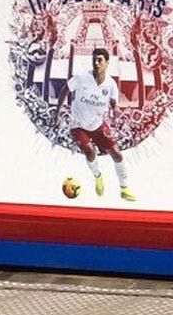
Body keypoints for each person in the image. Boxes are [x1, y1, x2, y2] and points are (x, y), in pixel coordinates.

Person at [55, 47, 136, 201]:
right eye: (94, 60)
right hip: (78, 125)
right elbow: (65, 89)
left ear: (107, 63)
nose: (96, 63)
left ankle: (124, 189)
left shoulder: (111, 85)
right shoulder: (81, 77)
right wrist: (57, 111)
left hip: (97, 125)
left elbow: (114, 103)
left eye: (100, 60)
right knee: (90, 151)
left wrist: (116, 110)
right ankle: (98, 176)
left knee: (117, 154)